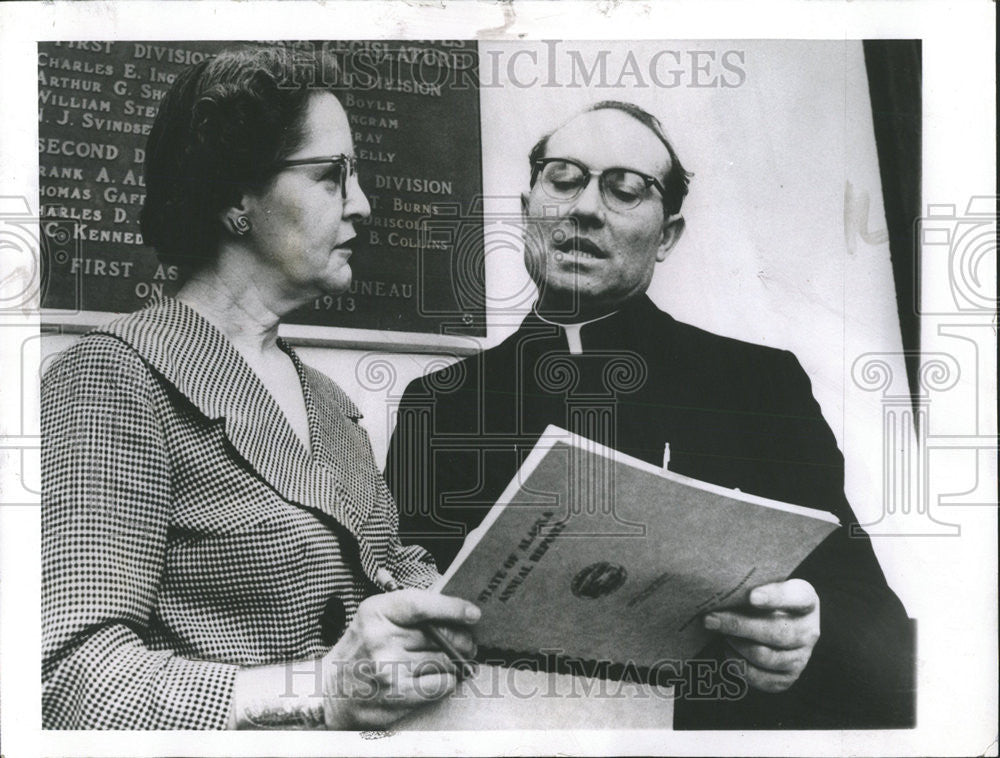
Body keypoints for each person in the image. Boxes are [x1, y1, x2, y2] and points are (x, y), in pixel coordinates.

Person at [385, 100, 914, 729]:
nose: (585, 208)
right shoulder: (440, 404)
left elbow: (865, 603)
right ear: (527, 208)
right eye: (563, 178)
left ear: (666, 236)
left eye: (626, 189)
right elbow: (405, 604)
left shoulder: (755, 385)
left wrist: (808, 631)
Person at [41, 45, 480, 730]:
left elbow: (388, 566)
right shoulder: (112, 377)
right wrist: (319, 689)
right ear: (237, 199)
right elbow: (70, 677)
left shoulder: (330, 404)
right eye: (332, 175)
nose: (362, 204)